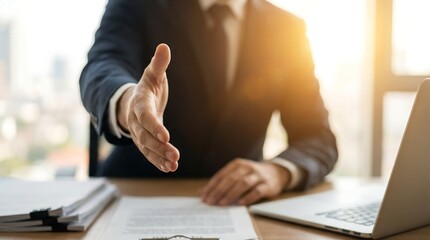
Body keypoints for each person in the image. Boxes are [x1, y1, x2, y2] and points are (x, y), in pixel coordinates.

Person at [79, 0, 338, 206]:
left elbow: (318, 137)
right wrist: (129, 103)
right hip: (130, 197)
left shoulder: (286, 29)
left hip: (238, 207)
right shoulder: (138, 5)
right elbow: (103, 63)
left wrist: (277, 172)